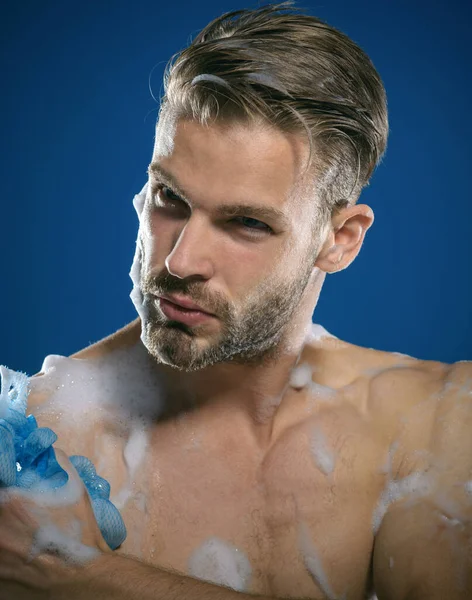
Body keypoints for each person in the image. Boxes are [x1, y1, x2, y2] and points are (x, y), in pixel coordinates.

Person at [1, 2, 471, 599]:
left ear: (340, 240)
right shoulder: (41, 447)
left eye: (246, 223)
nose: (179, 262)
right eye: (169, 195)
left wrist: (82, 577)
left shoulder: (434, 427)